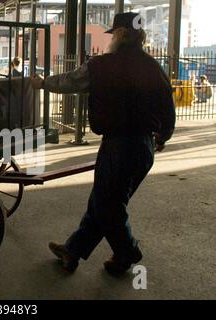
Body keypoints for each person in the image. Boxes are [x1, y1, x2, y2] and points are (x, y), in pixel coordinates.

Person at [31, 12, 176, 276]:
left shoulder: (103, 65)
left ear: (120, 34)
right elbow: (167, 103)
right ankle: (73, 251)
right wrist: (163, 135)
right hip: (144, 147)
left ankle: (127, 252)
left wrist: (43, 83)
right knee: (104, 201)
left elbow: (71, 81)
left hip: (119, 146)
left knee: (108, 206)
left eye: (113, 34)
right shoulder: (153, 66)